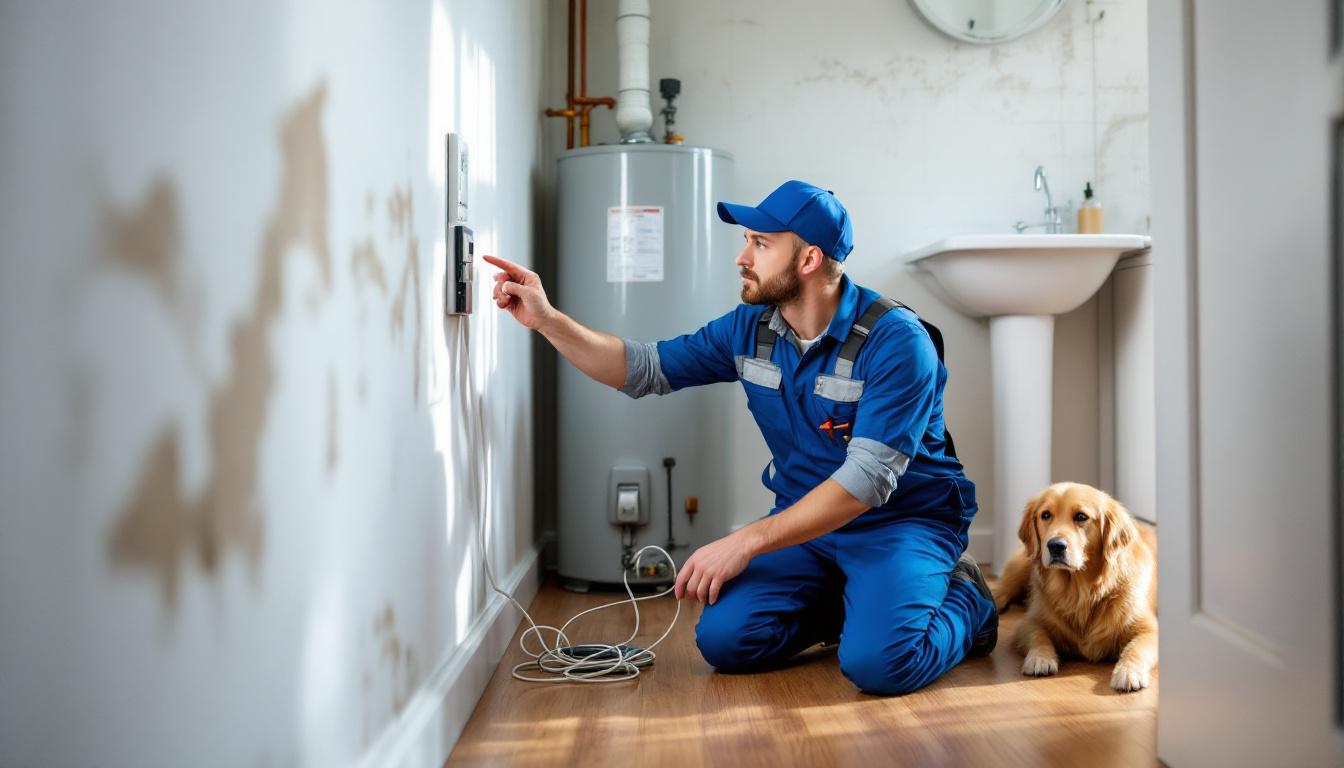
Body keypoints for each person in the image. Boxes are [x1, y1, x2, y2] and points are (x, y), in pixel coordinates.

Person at [483, 180, 998, 695]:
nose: (742, 256)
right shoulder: (752, 327)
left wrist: (746, 541)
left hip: (900, 523)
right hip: (808, 526)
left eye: (760, 243)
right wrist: (548, 321)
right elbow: (641, 369)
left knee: (881, 666)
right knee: (727, 642)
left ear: (809, 259)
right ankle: (856, 606)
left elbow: (866, 482)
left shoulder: (897, 342)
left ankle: (967, 602)